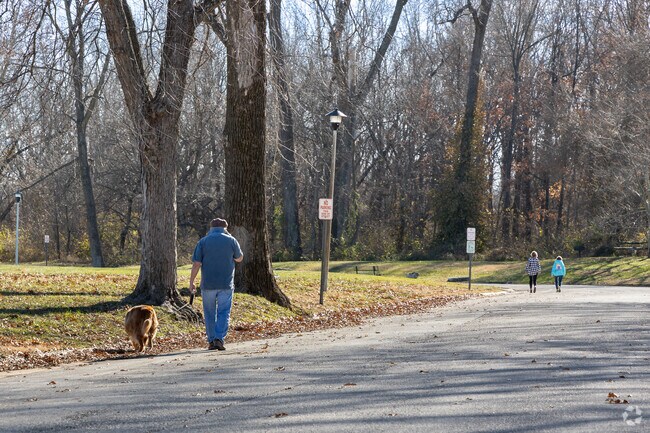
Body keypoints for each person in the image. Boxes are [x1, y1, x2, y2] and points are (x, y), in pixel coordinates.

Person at [189, 218, 243, 351]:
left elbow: (196, 263)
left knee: (209, 312)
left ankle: (212, 340)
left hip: (208, 284)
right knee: (224, 312)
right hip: (226, 283)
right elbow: (239, 258)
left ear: (211, 228)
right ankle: (219, 338)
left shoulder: (203, 241)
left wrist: (191, 282)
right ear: (225, 228)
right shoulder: (231, 240)